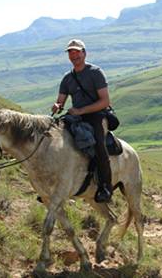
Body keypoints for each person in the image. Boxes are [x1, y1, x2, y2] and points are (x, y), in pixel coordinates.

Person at [52, 39, 112, 203]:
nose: (74, 55)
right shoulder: (68, 78)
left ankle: (105, 187)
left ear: (84, 53)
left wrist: (81, 110)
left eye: (77, 51)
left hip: (97, 115)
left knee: (99, 146)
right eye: (71, 52)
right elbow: (61, 100)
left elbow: (105, 101)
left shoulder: (95, 72)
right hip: (76, 116)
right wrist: (57, 105)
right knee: (57, 140)